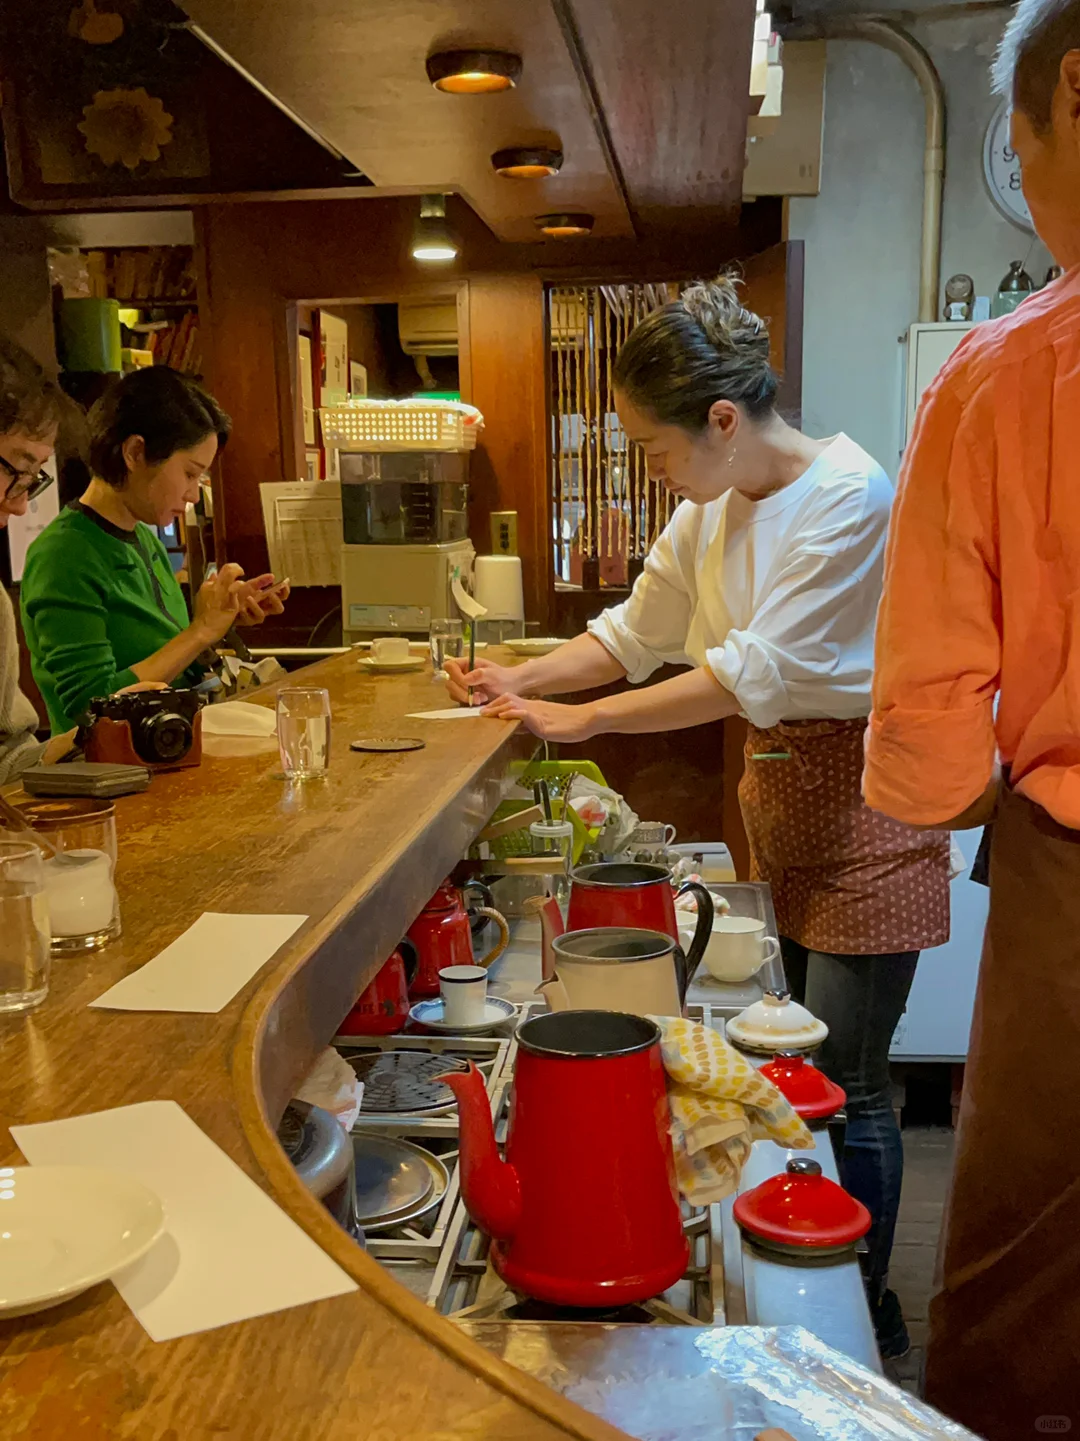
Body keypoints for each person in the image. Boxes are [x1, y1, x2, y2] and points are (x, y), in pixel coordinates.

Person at [447, 276, 950, 1358]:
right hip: (783, 786)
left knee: (849, 1079)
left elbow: (737, 673)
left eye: (657, 444)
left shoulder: (852, 496)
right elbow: (632, 635)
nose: (648, 465)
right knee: (784, 1056)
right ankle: (792, 1253)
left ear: (724, 420)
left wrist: (579, 725)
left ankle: (861, 1302)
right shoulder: (711, 502)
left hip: (870, 806)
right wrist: (516, 676)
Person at [864, 2, 1080, 1431]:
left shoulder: (1005, 375)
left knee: (1023, 1270)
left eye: (1018, 145)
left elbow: (934, 723)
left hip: (1074, 859)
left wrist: (955, 791)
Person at [21, 366, 289, 733]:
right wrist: (199, 632)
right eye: (190, 474)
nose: (194, 494)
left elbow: (169, 666)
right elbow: (90, 709)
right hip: (105, 777)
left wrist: (222, 618)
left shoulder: (143, 536)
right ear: (135, 452)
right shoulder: (63, 554)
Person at [0, 337, 83, 776]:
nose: (19, 505)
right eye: (17, 471)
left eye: (33, 478)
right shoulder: (65, 551)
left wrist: (84, 740)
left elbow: (8, 758)